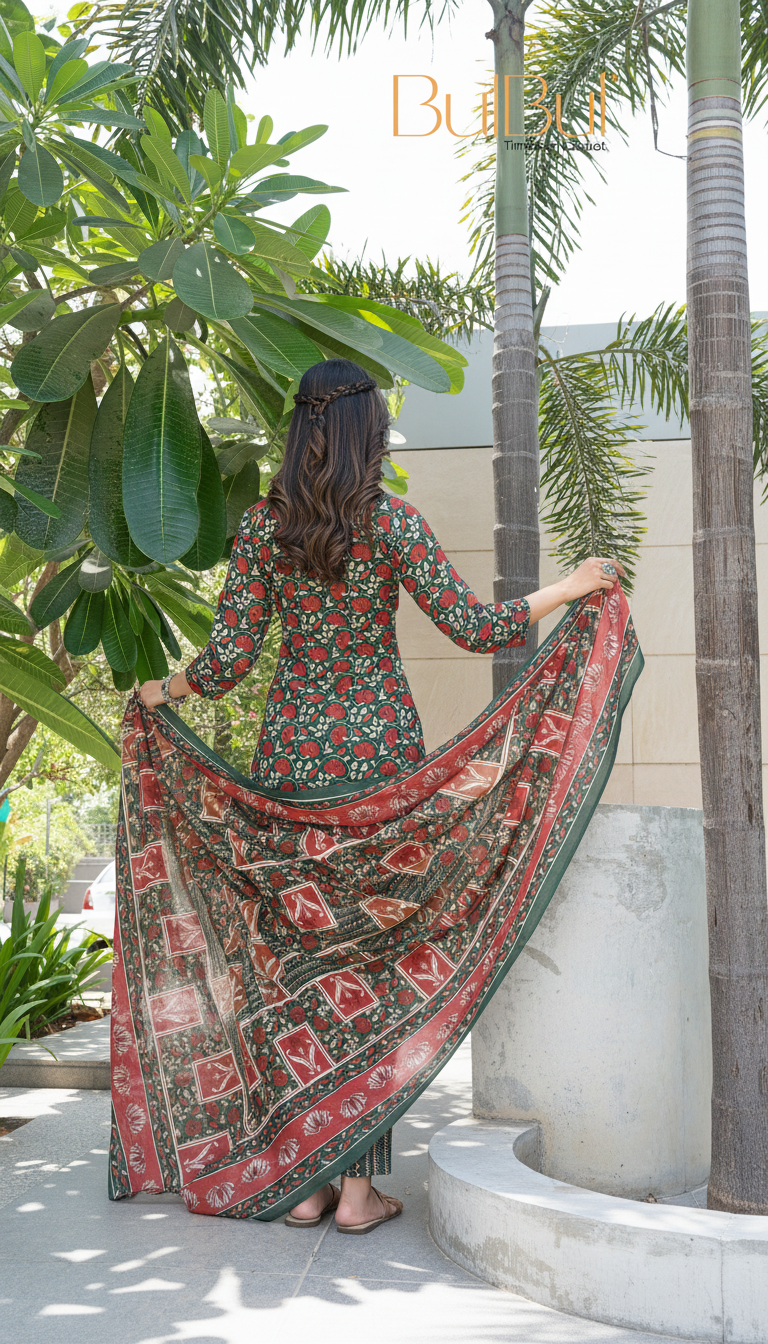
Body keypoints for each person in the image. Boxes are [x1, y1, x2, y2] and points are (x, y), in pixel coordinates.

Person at [137, 358, 624, 1234]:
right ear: (364, 430)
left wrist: (158, 693)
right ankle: (359, 1194)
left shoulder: (263, 529)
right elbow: (476, 627)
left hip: (288, 767)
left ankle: (304, 1185)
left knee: (290, 966)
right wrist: (574, 587)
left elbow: (228, 663)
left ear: (301, 428)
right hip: (377, 765)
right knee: (368, 970)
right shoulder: (392, 523)